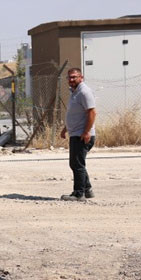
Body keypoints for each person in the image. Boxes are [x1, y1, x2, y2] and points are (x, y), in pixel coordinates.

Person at [60, 67, 96, 201]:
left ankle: (78, 193)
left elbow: (92, 112)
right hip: (75, 133)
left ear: (81, 77)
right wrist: (65, 129)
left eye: (74, 77)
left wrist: (86, 132)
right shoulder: (74, 93)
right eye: (69, 77)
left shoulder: (84, 92)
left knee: (77, 164)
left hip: (82, 135)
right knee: (76, 163)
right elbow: (75, 114)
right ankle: (87, 189)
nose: (71, 79)